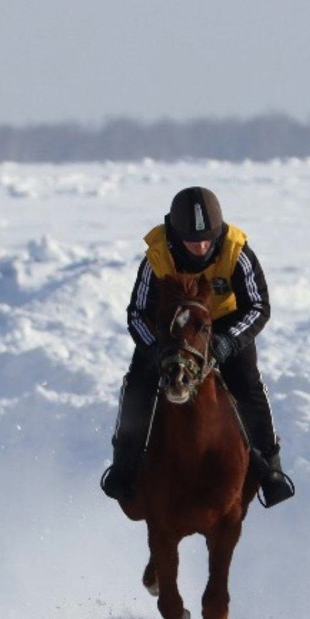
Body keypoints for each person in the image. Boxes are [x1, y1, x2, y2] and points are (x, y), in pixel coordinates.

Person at [100, 186, 295, 508]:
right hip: (173, 332)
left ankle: (270, 470)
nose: (201, 247)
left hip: (225, 326)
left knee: (247, 386)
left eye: (207, 239)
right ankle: (125, 464)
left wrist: (227, 342)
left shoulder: (238, 253)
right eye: (192, 241)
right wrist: (157, 349)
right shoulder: (158, 257)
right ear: (177, 235)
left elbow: (258, 306)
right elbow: (137, 313)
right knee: (137, 383)